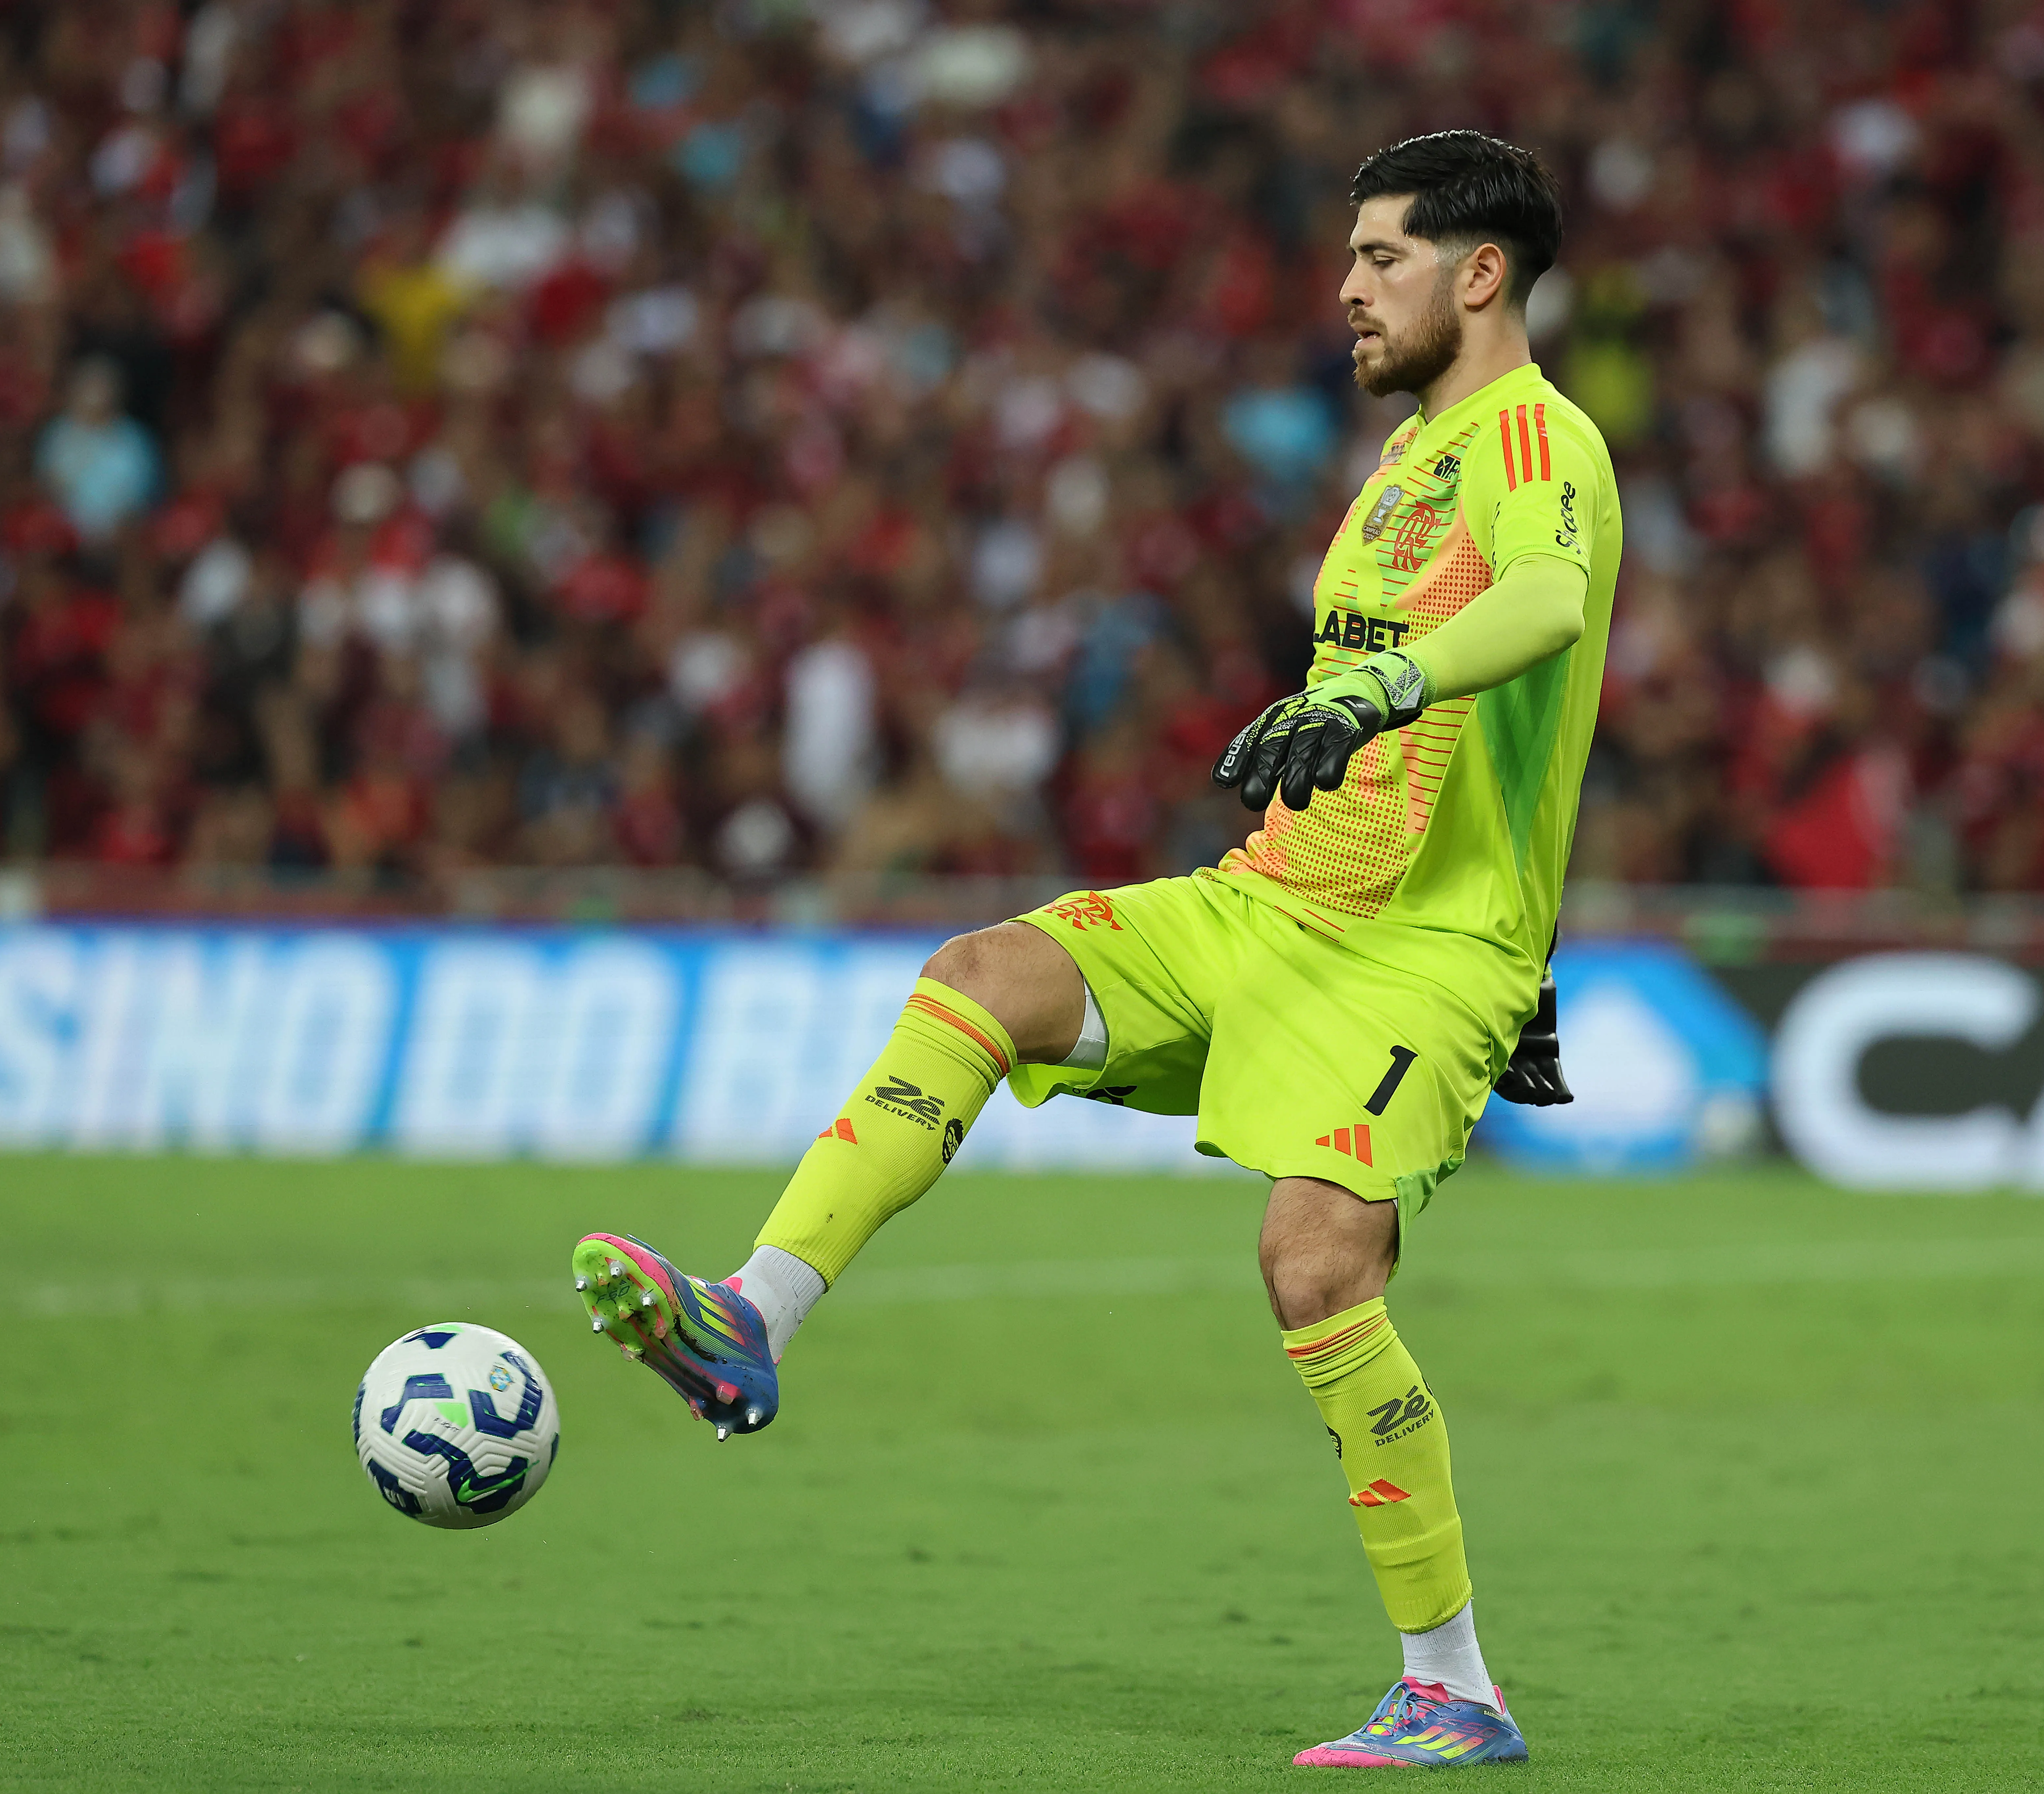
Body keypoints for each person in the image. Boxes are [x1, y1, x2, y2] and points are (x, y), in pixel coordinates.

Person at [572, 130, 1614, 1771]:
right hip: (1266, 909)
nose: (1342, 287)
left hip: (1414, 961)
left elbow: (1548, 613)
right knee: (981, 976)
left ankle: (1453, 1684)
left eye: (1381, 257)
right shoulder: (1401, 469)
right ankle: (751, 1318)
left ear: (1479, 274)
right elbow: (1497, 755)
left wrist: (1397, 723)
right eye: (1346, 255)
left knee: (1314, 1265)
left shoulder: (1532, 443)